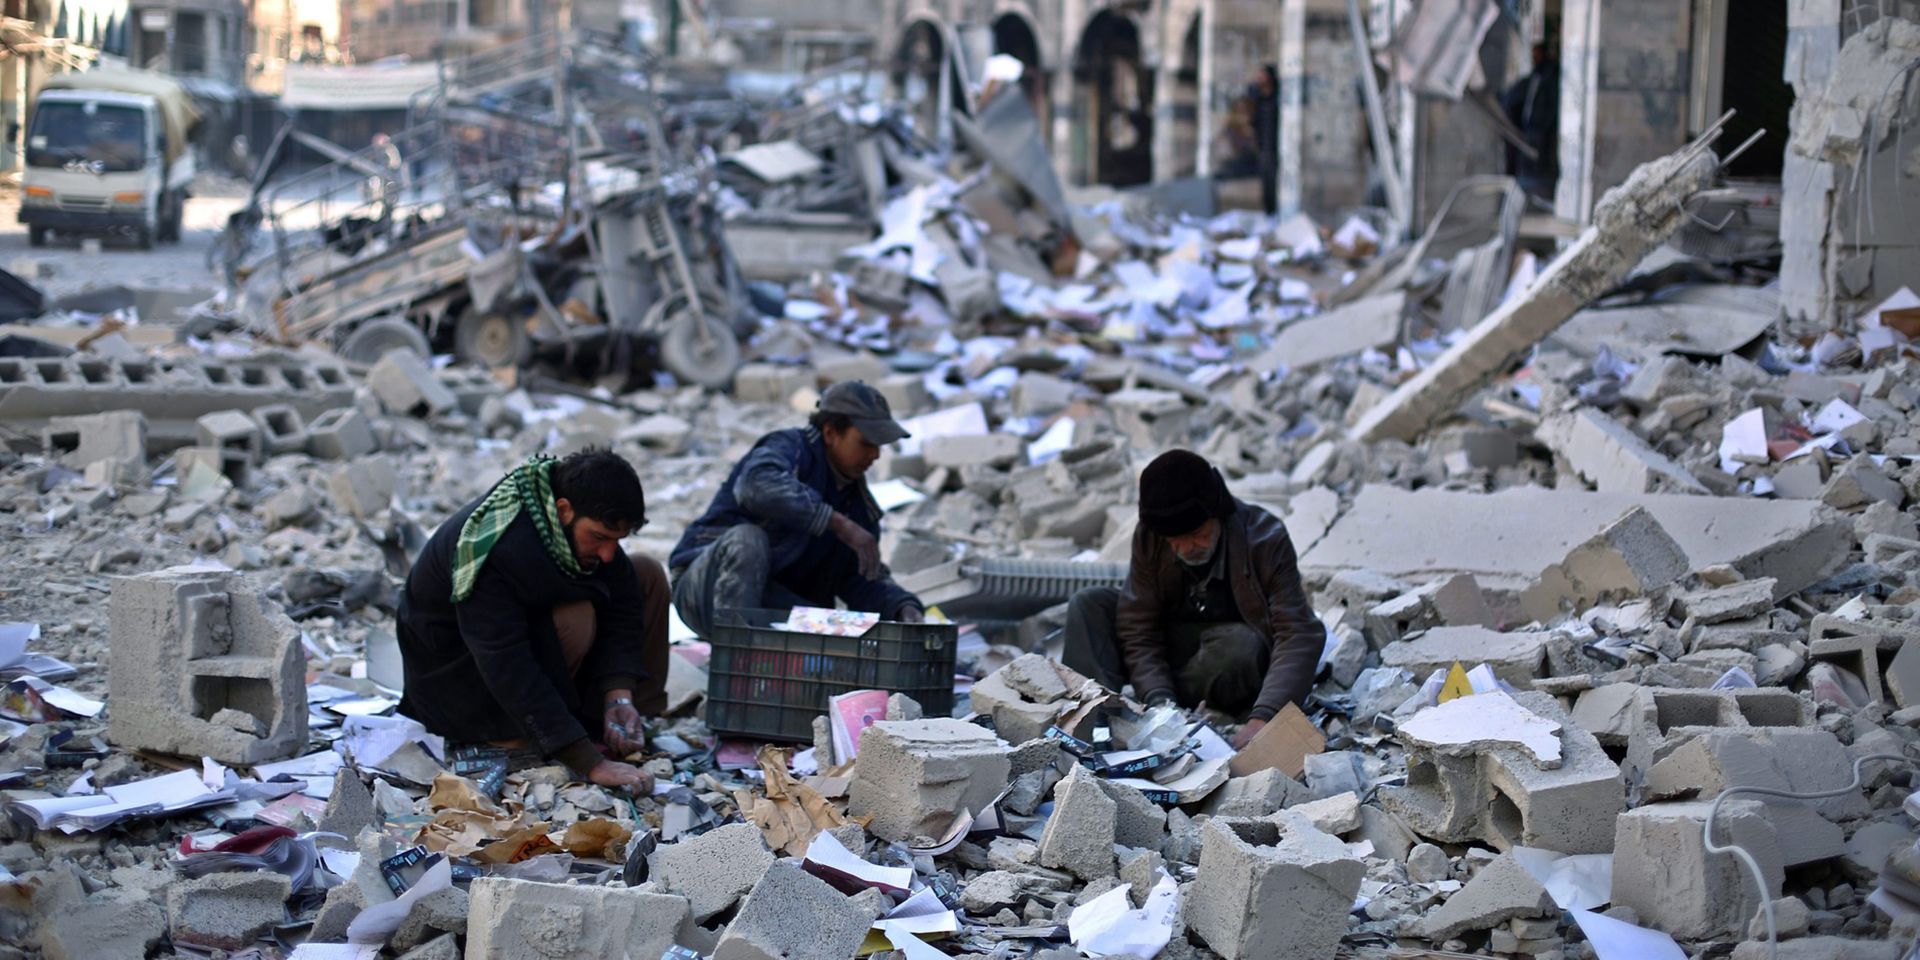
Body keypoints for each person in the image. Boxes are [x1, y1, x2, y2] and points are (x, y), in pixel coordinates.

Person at [397, 448, 669, 791]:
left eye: (616, 540)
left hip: (521, 649)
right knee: (577, 616)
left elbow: (624, 599)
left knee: (646, 572)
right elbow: (505, 660)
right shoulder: (500, 547)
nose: (608, 553)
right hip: (460, 684)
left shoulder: (568, 523)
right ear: (564, 510)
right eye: (599, 537)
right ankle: (519, 737)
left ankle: (624, 722)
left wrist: (619, 694)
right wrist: (588, 761)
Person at [1062, 449, 1323, 749]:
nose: (1187, 547)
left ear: (1217, 515)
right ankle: (1091, 728)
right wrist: (1160, 702)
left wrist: (1265, 718)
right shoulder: (1150, 537)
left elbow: (1297, 633)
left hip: (1235, 659)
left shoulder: (1265, 539)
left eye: (1197, 534)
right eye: (1175, 541)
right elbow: (1138, 628)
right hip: (1176, 655)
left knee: (1241, 646)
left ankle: (1197, 710)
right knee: (1089, 604)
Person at [670, 381, 924, 637]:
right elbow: (754, 485)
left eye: (878, 446)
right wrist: (835, 522)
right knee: (747, 540)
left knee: (834, 630)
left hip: (772, 600)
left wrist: (901, 606)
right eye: (866, 443)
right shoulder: (790, 448)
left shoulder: (859, 508)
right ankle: (737, 658)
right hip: (706, 587)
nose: (875, 455)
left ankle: (758, 663)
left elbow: (861, 579)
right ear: (830, 433)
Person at [1501, 42, 1560, 203]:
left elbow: (1548, 105)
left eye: (1537, 53)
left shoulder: (1548, 76)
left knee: (1536, 163)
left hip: (1539, 130)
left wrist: (1542, 126)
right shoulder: (1536, 76)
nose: (1534, 57)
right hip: (1532, 128)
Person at [1250, 65, 1280, 214]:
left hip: (1276, 147)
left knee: (1275, 182)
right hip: (1264, 148)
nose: (1259, 79)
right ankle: (1269, 213)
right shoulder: (1257, 98)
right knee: (1266, 183)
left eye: (1262, 76)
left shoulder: (1277, 98)